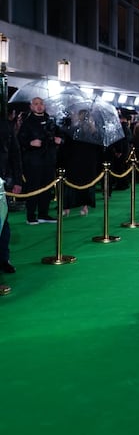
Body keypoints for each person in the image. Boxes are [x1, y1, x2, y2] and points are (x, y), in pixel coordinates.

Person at [17, 97, 63, 224]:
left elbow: (61, 136)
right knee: (33, 187)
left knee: (47, 188)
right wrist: (30, 143)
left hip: (49, 160)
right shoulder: (27, 123)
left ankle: (44, 214)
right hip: (33, 161)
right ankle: (31, 215)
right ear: (31, 107)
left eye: (41, 103)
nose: (39, 106)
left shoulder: (51, 121)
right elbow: (19, 141)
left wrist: (59, 140)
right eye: (36, 104)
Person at [58, 109, 103, 217]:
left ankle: (81, 206)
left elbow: (98, 147)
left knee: (82, 184)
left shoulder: (93, 132)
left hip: (85, 162)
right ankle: (72, 207)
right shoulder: (74, 130)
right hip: (77, 161)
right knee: (73, 184)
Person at [0, 109, 24, 295]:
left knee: (3, 224)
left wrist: (17, 180)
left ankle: (4, 259)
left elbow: (15, 154)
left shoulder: (5, 127)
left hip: (1, 182)